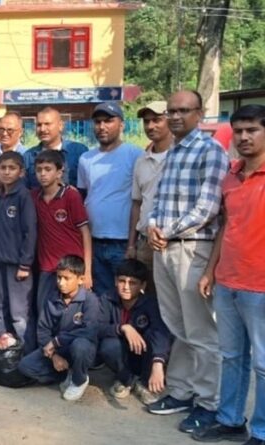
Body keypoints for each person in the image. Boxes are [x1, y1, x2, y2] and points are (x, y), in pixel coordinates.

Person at [146, 90, 228, 434]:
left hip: (192, 248)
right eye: (172, 111)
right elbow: (158, 199)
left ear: (199, 112)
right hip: (163, 247)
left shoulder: (210, 151)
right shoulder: (174, 152)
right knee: (176, 324)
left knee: (200, 330)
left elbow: (208, 207)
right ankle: (180, 390)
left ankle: (208, 402)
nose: (176, 116)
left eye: (183, 110)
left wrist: (165, 229)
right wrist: (151, 225)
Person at [193, 105, 265, 444]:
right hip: (228, 280)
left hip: (261, 286)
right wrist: (210, 270)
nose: (244, 137)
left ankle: (262, 431)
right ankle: (231, 419)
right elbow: (226, 227)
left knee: (263, 365)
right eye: (238, 131)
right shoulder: (231, 176)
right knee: (232, 356)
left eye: (252, 130)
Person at [77, 102, 143, 298]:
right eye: (97, 122)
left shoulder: (135, 155)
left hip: (122, 242)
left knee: (125, 296)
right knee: (98, 297)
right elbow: (83, 196)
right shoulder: (86, 159)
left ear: (121, 125)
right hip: (94, 242)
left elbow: (139, 200)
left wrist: (132, 244)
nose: (102, 126)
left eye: (108, 121)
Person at [18, 255, 100, 402]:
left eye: (66, 278)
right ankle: (67, 372)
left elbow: (90, 330)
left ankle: (79, 380)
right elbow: (43, 330)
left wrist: (57, 341)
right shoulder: (52, 298)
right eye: (58, 277)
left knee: (80, 345)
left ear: (80, 279)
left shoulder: (90, 300)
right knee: (25, 366)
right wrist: (54, 356)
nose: (61, 283)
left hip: (82, 348)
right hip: (58, 350)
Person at [97, 259, 171, 405]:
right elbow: (96, 327)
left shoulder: (151, 303)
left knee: (154, 335)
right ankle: (126, 379)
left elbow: (160, 332)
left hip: (145, 357)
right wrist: (123, 328)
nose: (126, 287)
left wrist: (158, 362)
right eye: (122, 281)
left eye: (132, 283)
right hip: (122, 356)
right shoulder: (107, 299)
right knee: (108, 345)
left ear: (143, 285)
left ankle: (144, 382)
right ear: (115, 281)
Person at [32, 150, 93, 320]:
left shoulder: (71, 196)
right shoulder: (34, 196)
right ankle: (45, 346)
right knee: (44, 312)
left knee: (73, 316)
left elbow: (85, 234)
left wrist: (87, 271)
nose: (43, 174)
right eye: (39, 170)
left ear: (59, 172)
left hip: (72, 267)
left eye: (48, 169)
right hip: (47, 266)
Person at [0, 152, 36, 347]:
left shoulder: (24, 196)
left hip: (17, 264)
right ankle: (3, 353)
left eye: (11, 168)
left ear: (21, 172)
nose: (6, 172)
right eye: (2, 168)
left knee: (18, 314)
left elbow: (30, 232)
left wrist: (25, 264)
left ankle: (26, 354)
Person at [127, 101, 172, 296]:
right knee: (149, 299)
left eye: (157, 120)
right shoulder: (141, 161)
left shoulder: (181, 157)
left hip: (172, 241)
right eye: (146, 121)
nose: (151, 126)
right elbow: (137, 204)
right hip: (145, 243)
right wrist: (131, 244)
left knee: (175, 300)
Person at [23, 107, 88, 188]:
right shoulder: (29, 156)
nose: (42, 129)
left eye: (47, 124)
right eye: (39, 125)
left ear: (60, 126)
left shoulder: (78, 151)